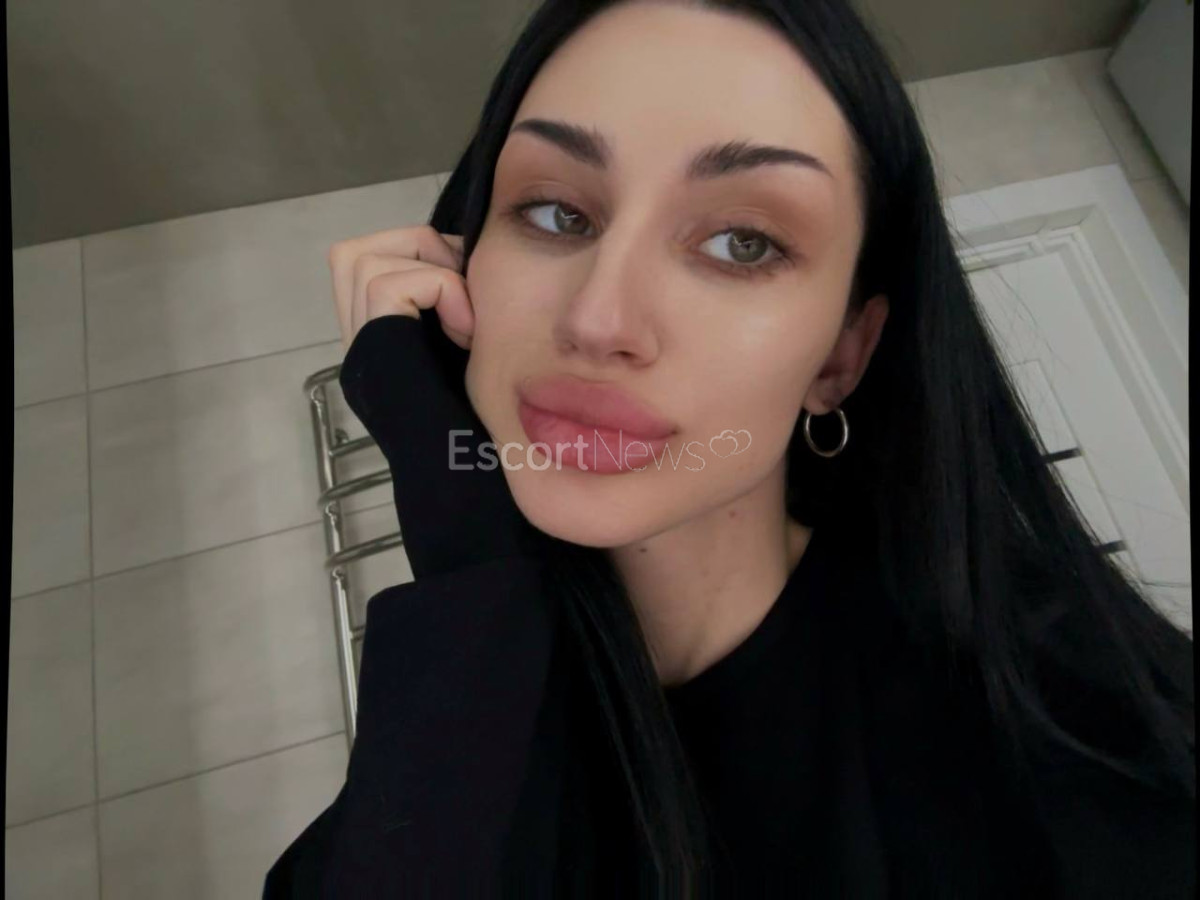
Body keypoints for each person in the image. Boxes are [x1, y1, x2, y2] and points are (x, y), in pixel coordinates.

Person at [264, 0, 1195, 896]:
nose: (598, 319)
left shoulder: (1086, 754)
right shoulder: (420, 766)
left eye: (744, 242)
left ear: (840, 357)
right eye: (555, 213)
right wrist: (463, 532)